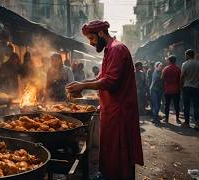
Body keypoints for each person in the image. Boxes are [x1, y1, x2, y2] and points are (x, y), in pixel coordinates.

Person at [66, 20, 143, 179]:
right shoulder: (110, 50)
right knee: (110, 151)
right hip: (111, 109)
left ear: (101, 33)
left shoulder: (116, 49)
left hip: (119, 111)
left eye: (91, 38)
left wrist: (83, 86)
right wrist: (82, 83)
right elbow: (102, 77)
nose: (91, 42)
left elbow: (111, 81)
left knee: (118, 153)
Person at [181, 49, 199, 129]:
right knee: (196, 106)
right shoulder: (198, 63)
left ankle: (187, 123)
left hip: (187, 87)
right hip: (196, 87)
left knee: (186, 105)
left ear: (188, 55)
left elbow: (182, 76)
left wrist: (181, 87)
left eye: (185, 55)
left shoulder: (185, 64)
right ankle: (197, 123)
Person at [161, 55, 181, 124]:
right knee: (176, 105)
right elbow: (180, 79)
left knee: (167, 105)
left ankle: (166, 119)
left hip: (167, 90)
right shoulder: (178, 69)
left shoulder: (166, 69)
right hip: (176, 89)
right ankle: (177, 119)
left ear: (169, 61)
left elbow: (162, 78)